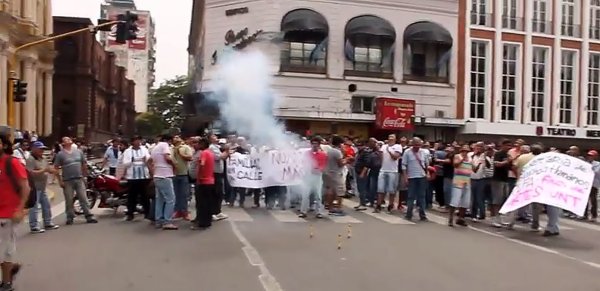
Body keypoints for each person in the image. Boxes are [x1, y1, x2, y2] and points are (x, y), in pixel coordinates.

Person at [0, 134, 27, 291]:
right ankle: (11, 268)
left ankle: (6, 283)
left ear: (4, 145)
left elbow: (25, 187)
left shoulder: (12, 162)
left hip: (9, 213)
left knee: (6, 249)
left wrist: (20, 208)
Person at [54, 137, 98, 225]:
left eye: (69, 139)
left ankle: (89, 216)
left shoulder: (79, 152)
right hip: (67, 180)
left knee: (83, 198)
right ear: (63, 143)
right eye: (65, 140)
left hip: (79, 178)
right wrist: (59, 180)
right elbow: (56, 168)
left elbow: (84, 164)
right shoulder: (60, 154)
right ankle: (70, 217)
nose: (68, 140)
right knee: (69, 199)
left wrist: (85, 176)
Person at [26, 141, 60, 233]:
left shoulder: (43, 159)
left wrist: (52, 171)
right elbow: (30, 172)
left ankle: (48, 222)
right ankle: (34, 226)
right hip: (34, 187)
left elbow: (47, 168)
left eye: (43, 149)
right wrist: (43, 170)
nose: (42, 150)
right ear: (34, 149)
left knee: (46, 205)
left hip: (42, 186)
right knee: (34, 207)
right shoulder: (30, 159)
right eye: (40, 149)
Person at [148, 134, 177, 230]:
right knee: (170, 199)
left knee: (160, 200)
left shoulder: (155, 147)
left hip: (157, 175)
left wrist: (153, 173)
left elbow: (149, 161)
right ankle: (167, 221)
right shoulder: (164, 145)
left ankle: (158, 220)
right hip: (165, 175)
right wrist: (174, 164)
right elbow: (167, 158)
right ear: (168, 140)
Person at [121, 136, 152, 221]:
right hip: (132, 177)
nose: (138, 142)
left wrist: (145, 160)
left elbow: (148, 159)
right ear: (133, 142)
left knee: (145, 195)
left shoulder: (144, 149)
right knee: (132, 196)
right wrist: (133, 160)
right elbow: (125, 163)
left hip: (143, 176)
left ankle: (147, 212)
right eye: (136, 140)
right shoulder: (128, 151)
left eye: (139, 140)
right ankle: (130, 213)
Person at [401, 137, 429, 221]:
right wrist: (405, 177)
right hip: (411, 177)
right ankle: (409, 214)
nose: (417, 147)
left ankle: (422, 215)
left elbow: (426, 165)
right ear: (412, 144)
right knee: (411, 196)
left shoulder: (424, 152)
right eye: (415, 145)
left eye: (419, 145)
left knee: (422, 196)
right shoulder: (407, 152)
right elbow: (404, 165)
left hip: (422, 177)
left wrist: (427, 174)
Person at [299, 136, 327, 219]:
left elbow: (323, 166)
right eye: (313, 144)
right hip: (307, 176)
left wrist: (318, 169)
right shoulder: (306, 153)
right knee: (305, 195)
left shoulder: (323, 154)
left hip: (317, 176)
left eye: (316, 144)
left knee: (318, 195)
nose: (314, 145)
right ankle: (303, 211)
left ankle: (319, 212)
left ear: (319, 145)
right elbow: (303, 163)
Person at [192, 137, 215, 229]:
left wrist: (200, 176)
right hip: (210, 180)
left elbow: (202, 164)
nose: (197, 145)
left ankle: (201, 223)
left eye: (198, 143)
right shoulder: (210, 153)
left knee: (201, 203)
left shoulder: (204, 153)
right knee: (208, 203)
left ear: (202, 144)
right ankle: (207, 221)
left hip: (203, 181)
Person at [376, 134, 403, 213]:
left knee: (391, 190)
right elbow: (381, 156)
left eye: (392, 138)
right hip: (383, 170)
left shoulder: (398, 146)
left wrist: (389, 151)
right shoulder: (384, 146)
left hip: (393, 171)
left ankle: (390, 205)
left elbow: (395, 157)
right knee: (380, 189)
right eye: (389, 137)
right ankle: (378, 205)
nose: (390, 139)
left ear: (395, 139)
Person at [448, 145, 473, 227]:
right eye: (463, 150)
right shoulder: (457, 156)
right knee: (455, 200)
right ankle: (450, 218)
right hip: (458, 181)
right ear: (461, 150)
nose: (465, 152)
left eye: (466, 151)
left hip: (467, 181)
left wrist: (479, 164)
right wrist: (462, 159)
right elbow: (455, 165)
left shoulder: (470, 158)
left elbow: (474, 169)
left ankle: (461, 218)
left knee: (465, 201)